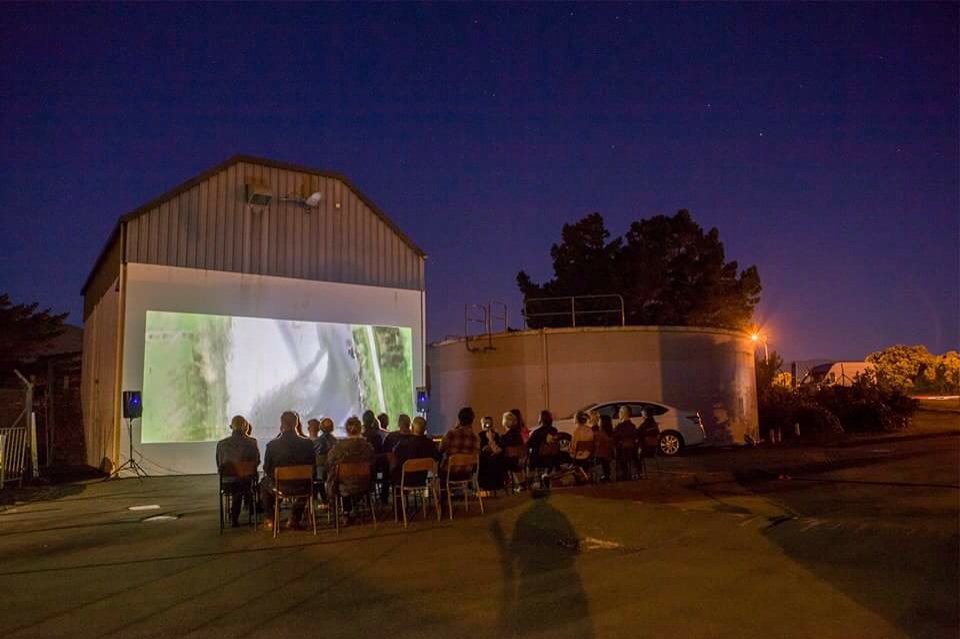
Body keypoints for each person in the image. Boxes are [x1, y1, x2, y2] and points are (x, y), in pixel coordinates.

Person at [260, 411, 316, 531]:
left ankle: (271, 519)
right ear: (296, 423)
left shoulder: (272, 445)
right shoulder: (308, 444)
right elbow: (313, 467)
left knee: (264, 483)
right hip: (303, 486)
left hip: (280, 486)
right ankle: (295, 518)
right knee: (308, 481)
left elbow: (267, 469)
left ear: (282, 424)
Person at [215, 415, 261, 527]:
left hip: (227, 484)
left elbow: (220, 464)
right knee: (245, 482)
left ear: (231, 427)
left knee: (238, 486)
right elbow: (256, 462)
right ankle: (251, 507)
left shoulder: (221, 444)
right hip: (246, 483)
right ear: (245, 427)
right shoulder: (252, 442)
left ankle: (235, 515)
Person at [326, 416, 376, 513]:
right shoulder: (367, 447)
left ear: (346, 430)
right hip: (365, 483)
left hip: (345, 485)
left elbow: (330, 461)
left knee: (338, 478)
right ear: (360, 429)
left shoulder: (338, 447)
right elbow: (373, 462)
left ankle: (346, 512)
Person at [392, 416, 440, 484]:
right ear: (425, 429)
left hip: (405, 479)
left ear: (412, 427)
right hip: (422, 478)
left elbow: (396, 454)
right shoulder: (430, 444)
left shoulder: (404, 443)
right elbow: (438, 457)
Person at [440, 407, 480, 474]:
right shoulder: (476, 437)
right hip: (467, 473)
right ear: (472, 421)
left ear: (459, 419)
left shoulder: (451, 434)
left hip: (450, 473)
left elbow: (440, 449)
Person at [527, 410, 560, 478]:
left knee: (533, 452)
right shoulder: (554, 430)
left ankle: (531, 478)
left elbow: (529, 444)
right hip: (552, 458)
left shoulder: (537, 432)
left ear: (541, 419)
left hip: (539, 459)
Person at [478, 415, 506, 491]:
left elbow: (499, 448)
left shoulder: (497, 435)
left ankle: (496, 484)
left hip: (495, 459)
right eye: (484, 423)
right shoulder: (480, 436)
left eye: (488, 423)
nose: (487, 425)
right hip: (485, 459)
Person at [312, 417, 338, 500]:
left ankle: (318, 499)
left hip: (320, 473)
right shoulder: (336, 442)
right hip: (334, 472)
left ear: (321, 428)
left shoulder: (316, 442)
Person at [613, 405, 639, 480]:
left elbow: (615, 438)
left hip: (623, 452)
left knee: (617, 450)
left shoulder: (619, 426)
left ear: (622, 413)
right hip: (632, 451)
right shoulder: (633, 426)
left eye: (620, 412)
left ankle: (622, 473)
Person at [595, 414, 614, 481]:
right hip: (609, 454)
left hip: (599, 455)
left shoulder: (598, 434)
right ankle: (607, 474)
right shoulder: (612, 432)